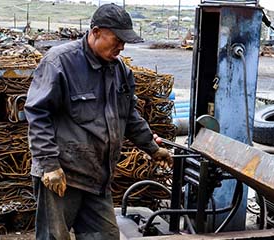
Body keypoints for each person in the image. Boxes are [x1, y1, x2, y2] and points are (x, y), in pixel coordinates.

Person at [25, 3, 171, 239]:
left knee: (105, 236)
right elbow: (38, 113)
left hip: (98, 179)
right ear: (95, 32)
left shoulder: (120, 71)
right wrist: (49, 164)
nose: (122, 47)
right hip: (63, 176)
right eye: (118, 39)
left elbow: (129, 116)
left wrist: (152, 148)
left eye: (125, 41)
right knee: (55, 237)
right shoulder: (60, 62)